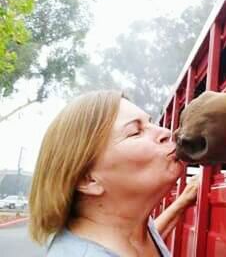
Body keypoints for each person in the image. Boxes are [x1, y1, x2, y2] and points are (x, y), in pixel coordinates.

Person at [28, 90, 198, 257]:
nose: (166, 132)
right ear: (87, 179)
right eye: (135, 132)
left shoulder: (131, 227)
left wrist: (184, 200)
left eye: (150, 123)